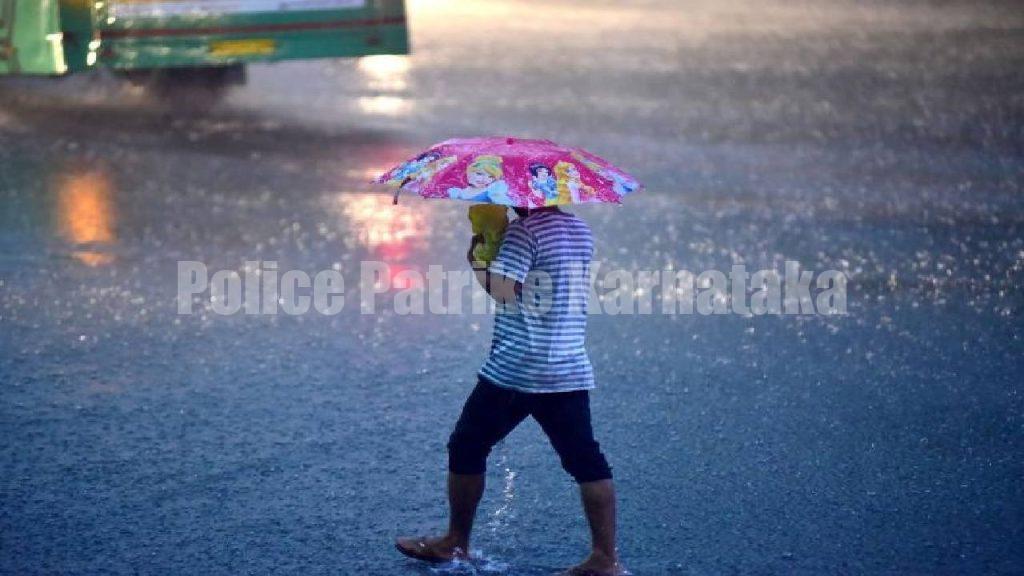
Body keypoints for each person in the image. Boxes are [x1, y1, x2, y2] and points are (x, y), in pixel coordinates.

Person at [396, 205, 626, 576]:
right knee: (586, 460)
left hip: (519, 366)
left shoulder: (524, 233)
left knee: (467, 445)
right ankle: (606, 558)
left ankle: (455, 541)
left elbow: (504, 291)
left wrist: (477, 262)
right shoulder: (580, 229)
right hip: (567, 364)